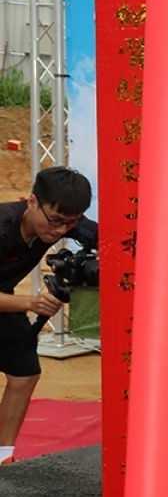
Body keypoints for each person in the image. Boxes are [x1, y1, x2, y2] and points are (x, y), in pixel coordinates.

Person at [0, 167, 97, 466]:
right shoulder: (2, 226)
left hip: (5, 298)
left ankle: (3, 456)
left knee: (24, 373)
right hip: (12, 300)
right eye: (54, 221)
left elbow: (121, 242)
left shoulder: (68, 222)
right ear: (31, 202)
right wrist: (31, 303)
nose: (59, 231)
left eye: (69, 223)